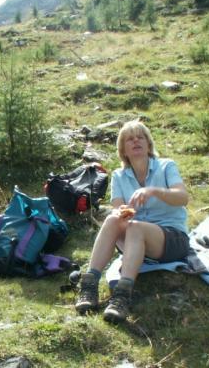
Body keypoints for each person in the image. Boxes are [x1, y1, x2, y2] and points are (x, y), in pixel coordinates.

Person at [75, 120, 189, 324]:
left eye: (140, 137)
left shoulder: (165, 166)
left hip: (171, 238)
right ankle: (89, 285)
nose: (136, 140)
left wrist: (152, 191)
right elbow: (119, 207)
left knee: (135, 228)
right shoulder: (119, 175)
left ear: (148, 144)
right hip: (135, 241)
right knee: (112, 220)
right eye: (130, 139)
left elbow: (182, 198)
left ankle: (121, 296)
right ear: (123, 149)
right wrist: (123, 213)